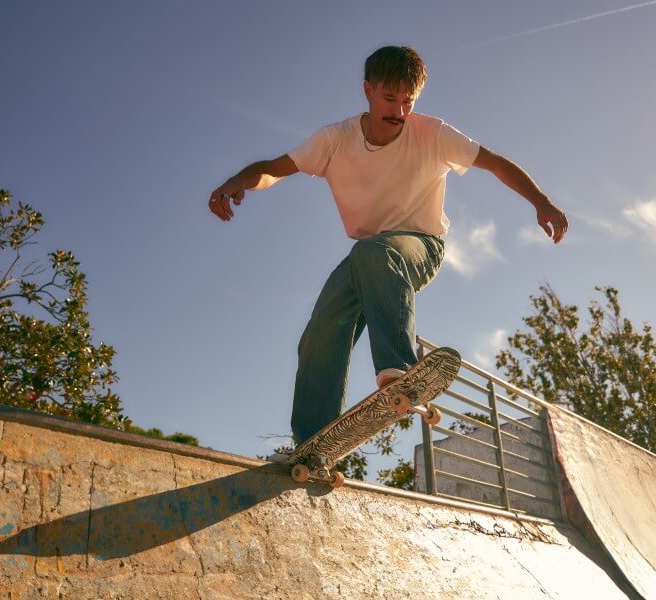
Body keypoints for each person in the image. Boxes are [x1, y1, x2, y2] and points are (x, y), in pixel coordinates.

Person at [208, 46, 568, 453]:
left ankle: (400, 369)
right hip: (367, 260)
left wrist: (540, 201)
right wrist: (239, 181)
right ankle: (313, 441)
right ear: (368, 90)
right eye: (389, 99)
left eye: (408, 101)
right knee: (320, 331)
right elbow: (276, 167)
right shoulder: (336, 139)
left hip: (418, 246)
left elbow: (497, 164)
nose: (398, 112)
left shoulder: (432, 133)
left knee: (376, 252)